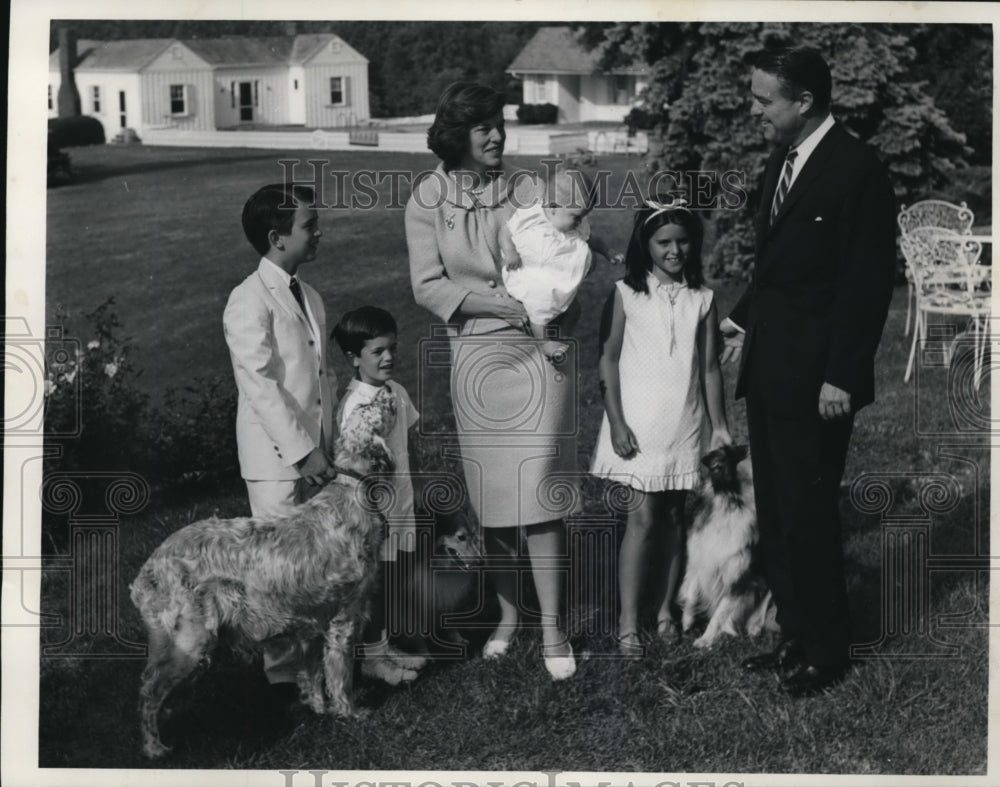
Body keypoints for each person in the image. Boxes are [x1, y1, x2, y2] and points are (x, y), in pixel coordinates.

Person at [719, 47, 896, 696]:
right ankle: (795, 635)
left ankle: (828, 651)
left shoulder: (857, 170)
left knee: (811, 510)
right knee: (780, 508)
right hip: (770, 368)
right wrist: (740, 319)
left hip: (819, 380)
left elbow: (866, 283)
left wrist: (842, 375)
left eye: (764, 99)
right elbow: (779, 267)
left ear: (804, 103)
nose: (755, 109)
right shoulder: (784, 158)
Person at [405, 82, 577, 680]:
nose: (497, 135)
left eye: (499, 124)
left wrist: (550, 300)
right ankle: (509, 618)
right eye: (483, 128)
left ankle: (554, 627)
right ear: (457, 136)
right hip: (477, 358)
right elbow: (427, 285)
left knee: (540, 493)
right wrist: (494, 305)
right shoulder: (427, 197)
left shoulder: (526, 188)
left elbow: (560, 250)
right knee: (497, 501)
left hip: (539, 355)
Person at [590, 199, 732, 656]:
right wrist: (616, 421)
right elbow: (607, 360)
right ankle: (628, 621)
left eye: (683, 241)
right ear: (645, 244)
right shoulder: (626, 294)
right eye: (664, 242)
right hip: (637, 425)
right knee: (642, 519)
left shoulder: (703, 300)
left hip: (683, 424)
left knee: (673, 517)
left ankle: (666, 609)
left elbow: (710, 368)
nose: (675, 251)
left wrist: (719, 427)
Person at [223, 182, 336, 686]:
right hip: (276, 458)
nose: (318, 232)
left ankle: (314, 666)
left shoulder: (309, 294)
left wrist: (325, 444)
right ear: (277, 237)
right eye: (309, 225)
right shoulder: (248, 300)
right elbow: (261, 386)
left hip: (316, 452)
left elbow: (318, 376)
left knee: (312, 567)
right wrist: (303, 453)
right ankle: (281, 677)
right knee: (274, 570)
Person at [332, 306, 424, 684]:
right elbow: (353, 466)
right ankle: (371, 657)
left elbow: (409, 443)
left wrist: (415, 486)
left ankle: (383, 646)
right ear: (354, 358)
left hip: (401, 502)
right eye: (377, 352)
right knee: (372, 585)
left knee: (393, 579)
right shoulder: (354, 405)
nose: (388, 357)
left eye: (393, 348)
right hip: (373, 513)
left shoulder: (396, 392)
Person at [500, 163, 622, 362]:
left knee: (574, 309)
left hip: (556, 275)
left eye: (583, 217)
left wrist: (609, 252)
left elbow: (593, 239)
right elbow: (505, 231)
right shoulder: (531, 215)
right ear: (553, 207)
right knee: (538, 308)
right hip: (531, 275)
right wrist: (510, 252)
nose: (579, 222)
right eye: (576, 217)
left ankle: (563, 337)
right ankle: (543, 342)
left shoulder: (575, 223)